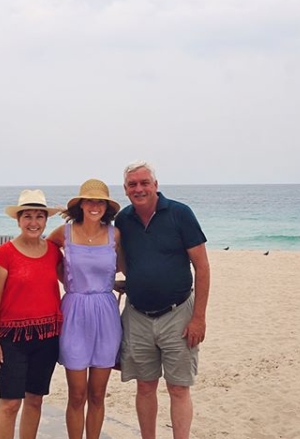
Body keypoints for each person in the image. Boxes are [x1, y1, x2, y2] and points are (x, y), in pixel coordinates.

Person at [114, 161, 211, 439]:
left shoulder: (180, 214)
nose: (139, 188)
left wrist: (199, 318)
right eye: (133, 184)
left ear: (156, 185)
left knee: (179, 387)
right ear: (125, 189)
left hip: (178, 313)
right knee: (144, 386)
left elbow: (202, 267)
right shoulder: (123, 219)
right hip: (137, 315)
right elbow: (122, 262)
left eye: (145, 182)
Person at [0, 189, 63, 439]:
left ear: (46, 220)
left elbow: (79, 275)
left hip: (47, 337)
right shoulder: (4, 254)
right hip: (12, 341)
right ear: (18, 220)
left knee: (35, 401)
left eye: (39, 217)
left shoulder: (53, 251)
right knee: (10, 404)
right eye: (27, 217)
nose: (33, 223)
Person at [52, 179, 124, 439]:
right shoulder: (65, 232)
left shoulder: (115, 234)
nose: (95, 206)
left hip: (106, 313)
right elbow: (41, 251)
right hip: (74, 311)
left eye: (100, 201)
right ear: (81, 204)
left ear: (106, 206)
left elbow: (127, 267)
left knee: (97, 394)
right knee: (77, 394)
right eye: (90, 200)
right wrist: (2, 253)